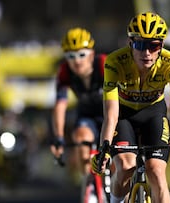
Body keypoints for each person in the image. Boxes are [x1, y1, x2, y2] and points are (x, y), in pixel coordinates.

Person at [91, 12, 170, 203]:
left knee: (156, 171)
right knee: (125, 165)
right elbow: (111, 114)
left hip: (154, 113)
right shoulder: (114, 62)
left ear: (161, 46)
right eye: (140, 45)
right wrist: (102, 150)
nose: (146, 53)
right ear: (130, 44)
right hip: (123, 115)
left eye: (153, 46)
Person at [50, 27, 107, 179]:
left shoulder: (103, 64)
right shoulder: (64, 71)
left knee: (118, 160)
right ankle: (89, 186)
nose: (76, 61)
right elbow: (60, 106)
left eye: (82, 54)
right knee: (81, 140)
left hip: (112, 114)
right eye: (70, 56)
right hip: (87, 114)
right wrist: (59, 137)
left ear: (92, 54)